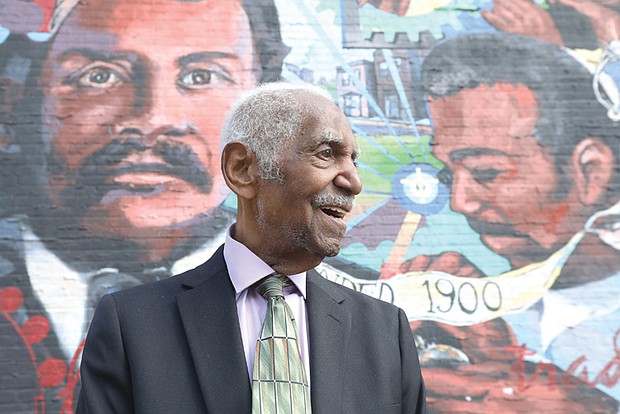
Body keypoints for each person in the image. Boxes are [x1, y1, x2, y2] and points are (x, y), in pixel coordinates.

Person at [0, 0, 287, 412]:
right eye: (98, 77)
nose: (154, 117)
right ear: (11, 112)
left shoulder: (333, 307)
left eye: (201, 76)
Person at [76, 82, 430, 413]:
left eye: (354, 160)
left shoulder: (386, 332)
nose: (354, 182)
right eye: (327, 153)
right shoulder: (133, 326)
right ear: (242, 169)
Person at [398, 32, 619, 410]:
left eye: (487, 171)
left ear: (590, 171)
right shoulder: (483, 322)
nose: (461, 202)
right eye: (451, 173)